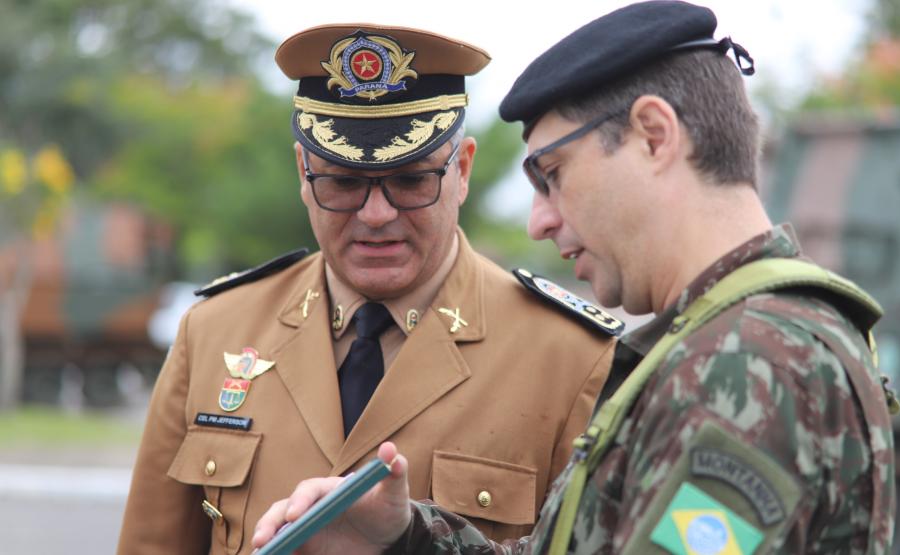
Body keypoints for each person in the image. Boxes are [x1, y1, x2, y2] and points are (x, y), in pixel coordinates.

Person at [251, 2, 898, 554]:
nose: (538, 221)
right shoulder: (732, 345)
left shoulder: (752, 363)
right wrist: (407, 534)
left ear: (652, 135)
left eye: (552, 174)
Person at [117, 24, 621, 554]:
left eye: (411, 180)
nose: (376, 215)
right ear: (302, 172)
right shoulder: (215, 330)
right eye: (343, 182)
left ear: (463, 170)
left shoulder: (571, 359)